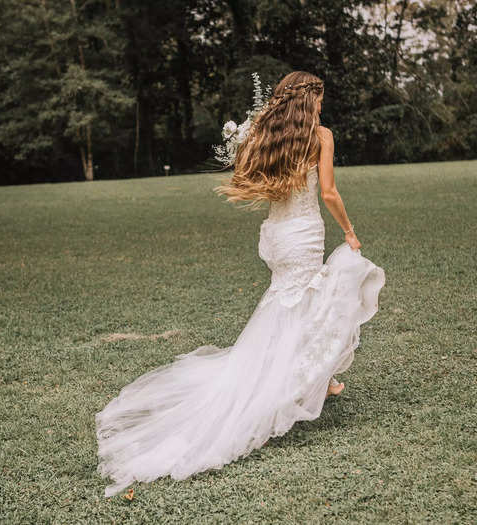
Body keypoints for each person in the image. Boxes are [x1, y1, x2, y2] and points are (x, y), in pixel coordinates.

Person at [95, 71, 385, 498]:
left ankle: (321, 379)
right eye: (320, 99)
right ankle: (279, 392)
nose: (323, 107)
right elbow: (328, 192)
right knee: (310, 302)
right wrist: (350, 230)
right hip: (304, 233)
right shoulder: (320, 136)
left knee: (290, 304)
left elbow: (266, 184)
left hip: (276, 234)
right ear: (310, 101)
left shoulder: (270, 135)